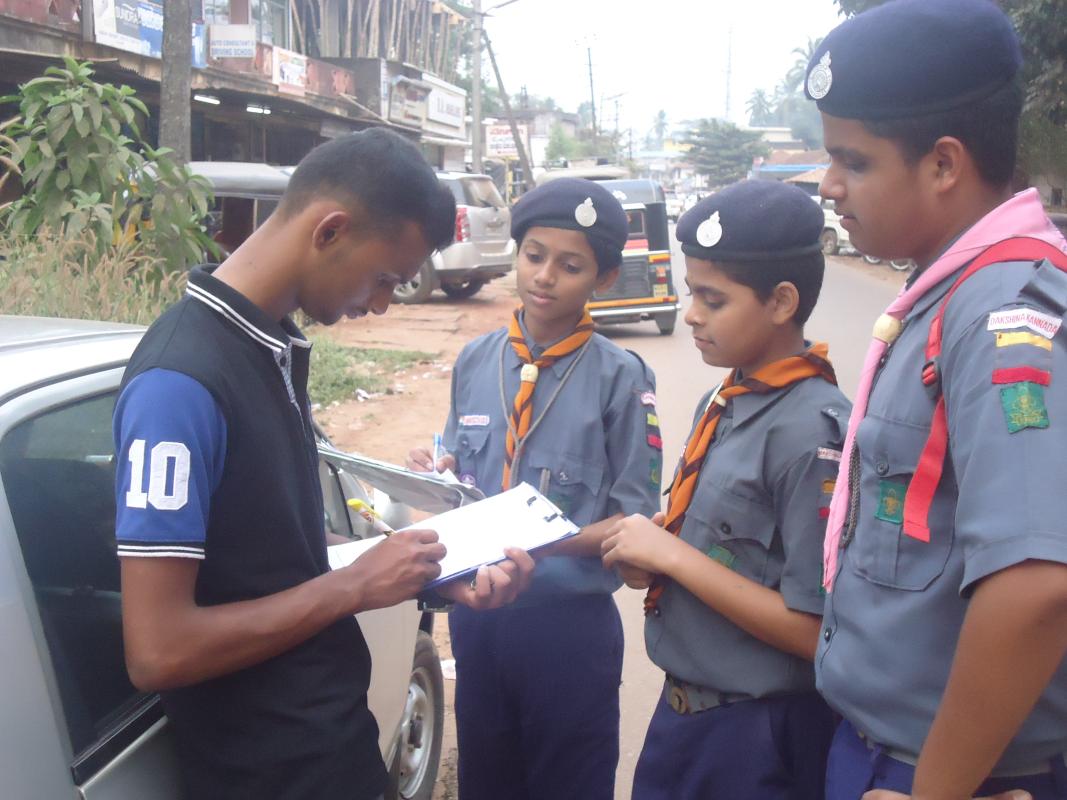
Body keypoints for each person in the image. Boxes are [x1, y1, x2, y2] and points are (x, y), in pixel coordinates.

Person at [113, 129, 535, 800]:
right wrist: (355, 586)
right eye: (384, 278)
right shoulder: (179, 382)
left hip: (327, 747)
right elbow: (159, 649)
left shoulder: (269, 347)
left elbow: (269, 550)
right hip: (266, 774)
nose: (380, 304)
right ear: (330, 230)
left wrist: (422, 571)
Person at [807, 2, 1067, 798]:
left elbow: (1036, 582)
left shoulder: (1002, 307)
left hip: (961, 772)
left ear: (944, 164)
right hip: (892, 752)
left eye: (852, 161)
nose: (827, 186)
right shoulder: (945, 293)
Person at [406, 177, 662, 800]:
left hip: (568, 633)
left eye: (570, 266)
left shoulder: (621, 379)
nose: (546, 276)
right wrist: (435, 474)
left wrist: (540, 545)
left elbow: (635, 524)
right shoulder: (475, 360)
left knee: (567, 784)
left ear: (601, 279)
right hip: (479, 622)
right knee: (487, 781)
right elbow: (460, 473)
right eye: (534, 256)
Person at [601, 179, 851, 800]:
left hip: (758, 735)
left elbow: (813, 631)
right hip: (683, 715)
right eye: (691, 293)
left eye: (714, 299)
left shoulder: (811, 430)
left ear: (781, 301)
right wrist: (658, 552)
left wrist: (674, 558)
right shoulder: (731, 398)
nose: (690, 314)